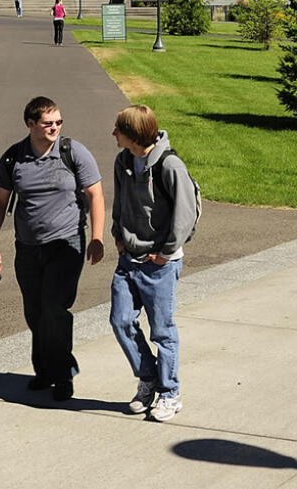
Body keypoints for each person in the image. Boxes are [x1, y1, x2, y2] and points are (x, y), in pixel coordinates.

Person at [0, 96, 105, 401]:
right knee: (35, 311)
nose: (55, 128)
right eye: (48, 123)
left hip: (66, 244)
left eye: (59, 122)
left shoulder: (72, 152)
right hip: (27, 248)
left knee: (54, 308)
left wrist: (97, 236)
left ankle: (63, 374)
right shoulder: (14, 157)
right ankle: (45, 371)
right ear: (30, 124)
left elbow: (95, 195)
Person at [109, 105, 199, 422]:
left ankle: (170, 394)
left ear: (133, 134)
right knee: (120, 321)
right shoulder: (123, 161)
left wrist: (165, 252)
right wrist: (117, 234)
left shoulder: (169, 165)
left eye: (118, 128)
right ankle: (148, 378)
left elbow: (185, 215)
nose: (113, 133)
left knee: (162, 332)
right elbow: (120, 202)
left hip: (159, 263)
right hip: (128, 258)